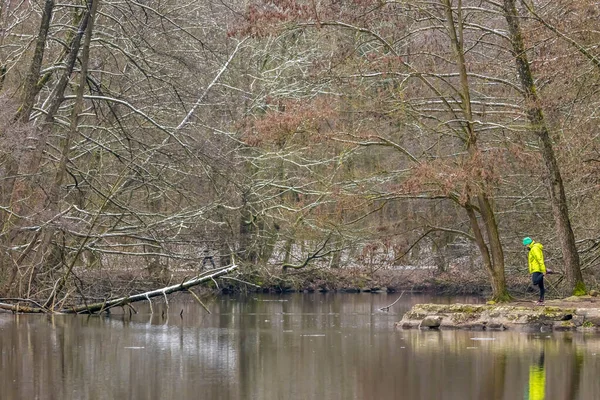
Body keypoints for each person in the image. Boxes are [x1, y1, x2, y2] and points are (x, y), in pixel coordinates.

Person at [523, 237, 546, 305]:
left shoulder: (534, 248)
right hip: (536, 268)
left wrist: (543, 270)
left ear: (528, 243)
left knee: (535, 282)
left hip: (537, 268)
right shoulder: (532, 249)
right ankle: (541, 300)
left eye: (525, 245)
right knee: (541, 286)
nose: (525, 246)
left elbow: (539, 259)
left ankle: (546, 273)